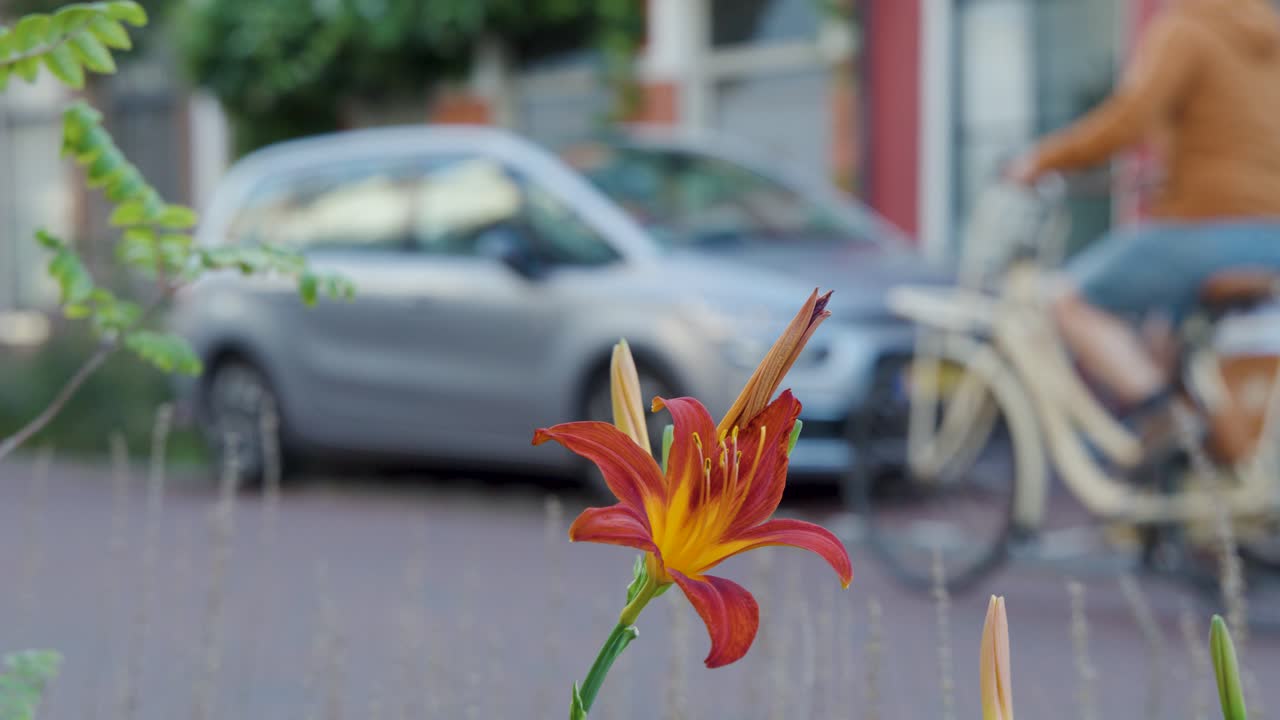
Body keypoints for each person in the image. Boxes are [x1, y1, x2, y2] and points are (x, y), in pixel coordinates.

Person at [1010, 0, 1280, 436]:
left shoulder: (1187, 28)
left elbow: (1128, 119)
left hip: (1208, 228)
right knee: (1160, 336)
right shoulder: (1270, 34)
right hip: (1271, 233)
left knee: (1066, 299)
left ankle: (1168, 430)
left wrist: (1041, 160)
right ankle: (1184, 461)